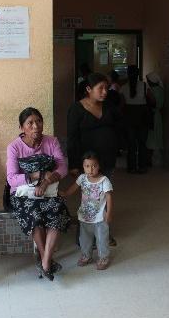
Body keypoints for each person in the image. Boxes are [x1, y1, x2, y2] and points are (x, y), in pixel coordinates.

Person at [6, 107, 71, 281]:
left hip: (48, 191)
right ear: (22, 128)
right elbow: (12, 179)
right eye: (30, 123)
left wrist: (47, 181)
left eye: (39, 121)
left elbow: (62, 167)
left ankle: (45, 261)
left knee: (57, 211)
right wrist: (37, 175)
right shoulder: (14, 147)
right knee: (34, 214)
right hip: (23, 195)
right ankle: (46, 260)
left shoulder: (51, 142)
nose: (36, 126)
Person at [67, 72, 121, 246]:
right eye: (101, 88)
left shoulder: (109, 106)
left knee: (105, 198)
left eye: (106, 87)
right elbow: (72, 138)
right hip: (88, 165)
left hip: (107, 160)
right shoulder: (76, 109)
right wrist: (74, 164)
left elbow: (118, 127)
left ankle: (104, 234)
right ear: (89, 89)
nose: (105, 91)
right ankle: (84, 237)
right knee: (89, 201)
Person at [60, 151, 113, 270]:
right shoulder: (82, 178)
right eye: (87, 166)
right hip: (84, 216)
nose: (90, 169)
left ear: (99, 166)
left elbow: (109, 197)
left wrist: (109, 214)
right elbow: (73, 187)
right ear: (83, 167)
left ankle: (103, 257)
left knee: (102, 239)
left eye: (94, 166)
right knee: (84, 239)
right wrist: (64, 193)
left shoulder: (104, 180)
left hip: (100, 217)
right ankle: (86, 255)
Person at [120, 65, 152, 174]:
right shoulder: (144, 85)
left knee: (131, 144)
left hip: (129, 117)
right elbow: (151, 99)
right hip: (142, 116)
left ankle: (131, 167)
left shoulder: (123, 87)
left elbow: (122, 105)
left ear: (128, 75)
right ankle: (142, 167)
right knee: (142, 143)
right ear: (138, 74)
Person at [145, 72, 164, 166]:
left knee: (151, 138)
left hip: (152, 116)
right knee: (156, 136)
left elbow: (153, 103)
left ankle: (149, 160)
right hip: (158, 116)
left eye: (148, 80)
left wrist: (148, 95)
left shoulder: (151, 91)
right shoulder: (161, 90)